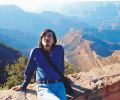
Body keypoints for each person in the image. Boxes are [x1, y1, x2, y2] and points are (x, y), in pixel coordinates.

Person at [12, 29, 67, 100]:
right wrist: (24, 85)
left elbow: (61, 66)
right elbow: (29, 70)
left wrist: (62, 78)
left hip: (59, 86)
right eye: (44, 36)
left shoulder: (59, 49)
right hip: (44, 87)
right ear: (41, 40)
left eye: (49, 36)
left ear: (54, 40)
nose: (47, 38)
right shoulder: (36, 52)